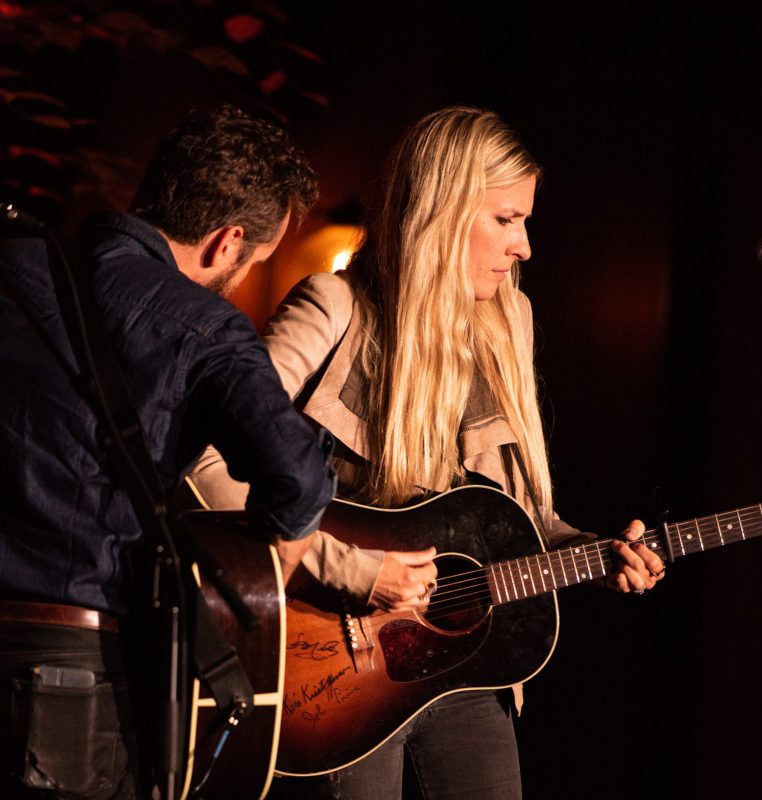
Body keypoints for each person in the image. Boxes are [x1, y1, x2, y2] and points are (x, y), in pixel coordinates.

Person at [189, 106, 666, 799]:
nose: (525, 246)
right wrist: (352, 570)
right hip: (340, 661)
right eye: (506, 219)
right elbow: (204, 456)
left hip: (469, 663)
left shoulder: (511, 320)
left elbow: (519, 518)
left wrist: (594, 553)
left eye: (525, 221)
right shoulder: (336, 305)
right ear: (442, 210)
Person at [0, 105, 337, 800]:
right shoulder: (204, 327)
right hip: (64, 673)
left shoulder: (11, 266)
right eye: (256, 264)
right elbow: (297, 482)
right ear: (226, 242)